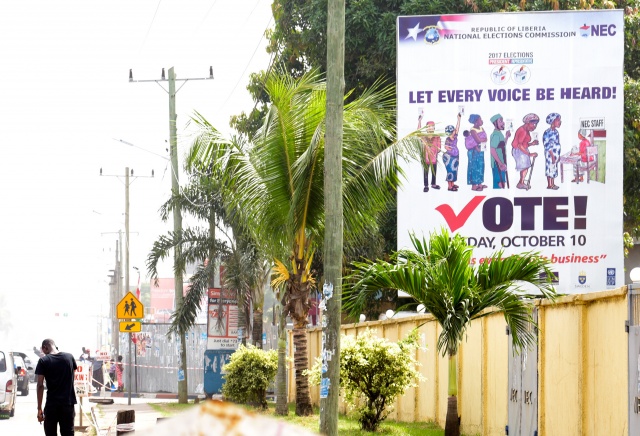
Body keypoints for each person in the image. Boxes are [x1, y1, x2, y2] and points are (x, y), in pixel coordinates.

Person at [35, 338, 77, 436]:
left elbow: (40, 385)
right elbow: (72, 375)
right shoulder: (69, 357)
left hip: (52, 405)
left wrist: (39, 409)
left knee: (50, 433)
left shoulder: (43, 361)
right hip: (68, 404)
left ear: (45, 348)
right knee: (68, 433)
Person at [511, 113, 540, 190]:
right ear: (528, 123)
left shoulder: (526, 130)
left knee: (526, 167)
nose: (535, 127)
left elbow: (524, 144)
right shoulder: (523, 131)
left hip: (522, 149)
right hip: (519, 150)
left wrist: (532, 143)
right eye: (533, 124)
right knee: (525, 167)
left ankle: (521, 182)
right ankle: (521, 183)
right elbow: (519, 145)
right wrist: (529, 154)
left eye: (536, 124)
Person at [418, 114, 441, 192]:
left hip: (434, 157)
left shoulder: (437, 136)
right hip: (426, 158)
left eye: (432, 126)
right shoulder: (424, 136)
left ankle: (433, 184)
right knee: (426, 172)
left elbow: (439, 145)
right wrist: (419, 121)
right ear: (426, 128)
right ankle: (426, 185)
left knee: (434, 171)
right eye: (429, 126)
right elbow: (418, 132)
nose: (430, 127)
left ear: (434, 127)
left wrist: (437, 149)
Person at [466, 114, 487, 191]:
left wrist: (482, 139)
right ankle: (474, 185)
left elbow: (485, 138)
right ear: (476, 122)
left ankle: (480, 183)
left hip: (481, 150)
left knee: (481, 166)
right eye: (480, 119)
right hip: (474, 151)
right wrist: (482, 139)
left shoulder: (482, 128)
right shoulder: (472, 130)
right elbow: (478, 140)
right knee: (474, 167)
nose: (482, 121)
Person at [489, 113, 511, 189]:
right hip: (497, 164)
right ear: (495, 123)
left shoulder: (499, 133)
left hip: (501, 163)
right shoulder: (495, 135)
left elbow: (501, 145)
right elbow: (492, 150)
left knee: (501, 184)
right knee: (500, 184)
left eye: (502, 121)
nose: (503, 123)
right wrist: (500, 164)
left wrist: (507, 137)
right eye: (500, 121)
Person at [442, 113, 462, 191]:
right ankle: (449, 186)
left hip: (455, 157)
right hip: (449, 157)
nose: (455, 131)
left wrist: (459, 119)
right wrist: (451, 149)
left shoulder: (455, 136)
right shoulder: (448, 139)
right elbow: (446, 146)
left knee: (454, 170)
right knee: (450, 171)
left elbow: (458, 128)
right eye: (453, 130)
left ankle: (452, 184)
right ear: (450, 132)